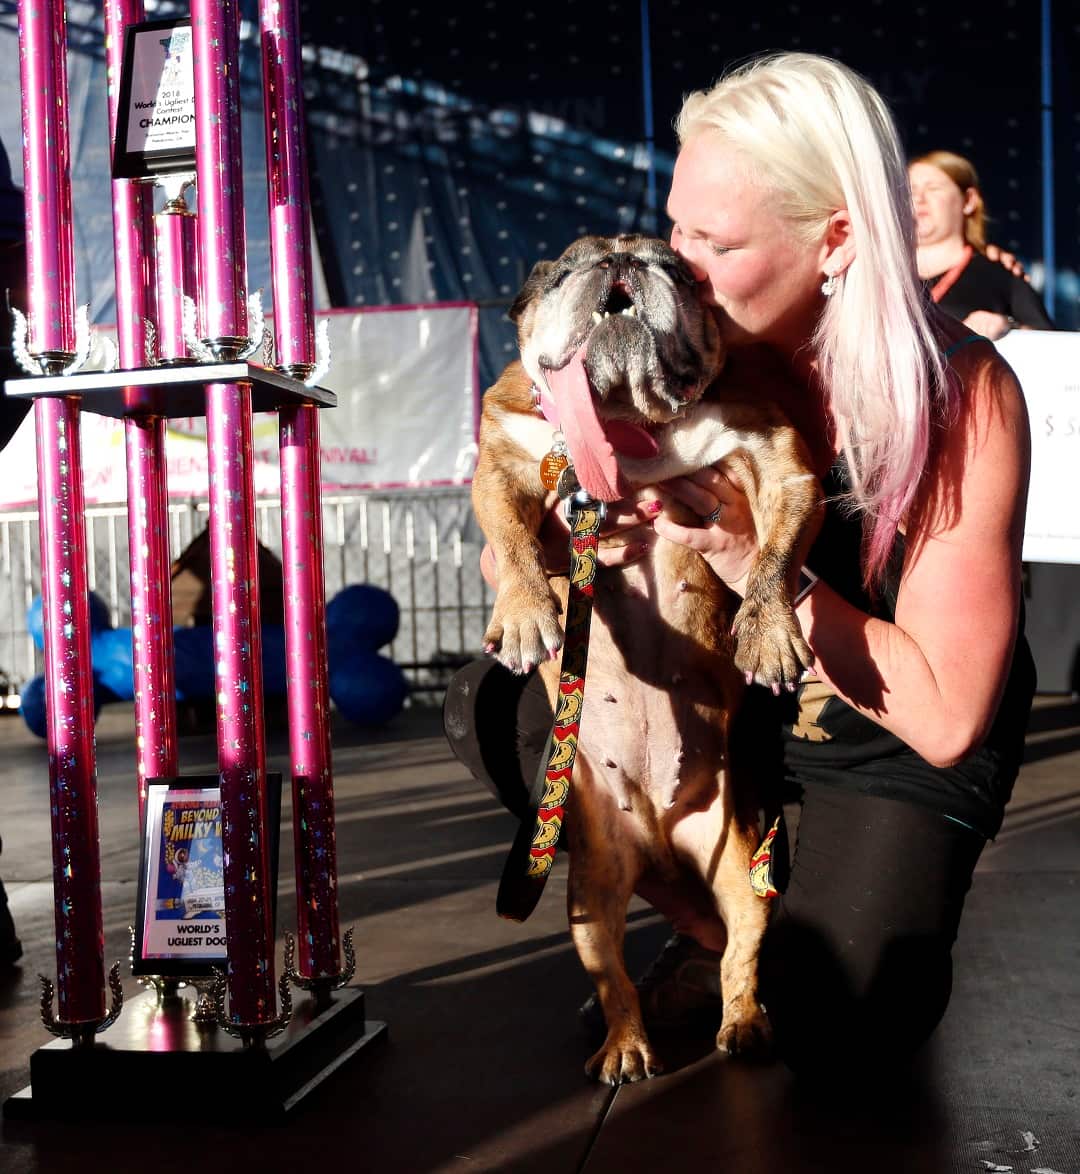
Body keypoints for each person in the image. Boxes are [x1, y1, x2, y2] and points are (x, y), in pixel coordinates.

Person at [446, 52, 1035, 1075]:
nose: (676, 266)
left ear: (836, 239)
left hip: (878, 733)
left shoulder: (962, 394)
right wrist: (548, 544)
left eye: (714, 244)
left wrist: (738, 549)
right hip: (721, 703)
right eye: (675, 228)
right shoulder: (675, 351)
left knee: (843, 1014)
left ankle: (790, 928)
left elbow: (945, 719)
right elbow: (513, 554)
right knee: (492, 705)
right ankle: (719, 925)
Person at [909, 149, 1053, 339]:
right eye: (910, 190)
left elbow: (1051, 343)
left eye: (933, 188)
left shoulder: (1000, 274)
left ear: (969, 201)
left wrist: (1008, 326)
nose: (919, 198)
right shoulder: (880, 272)